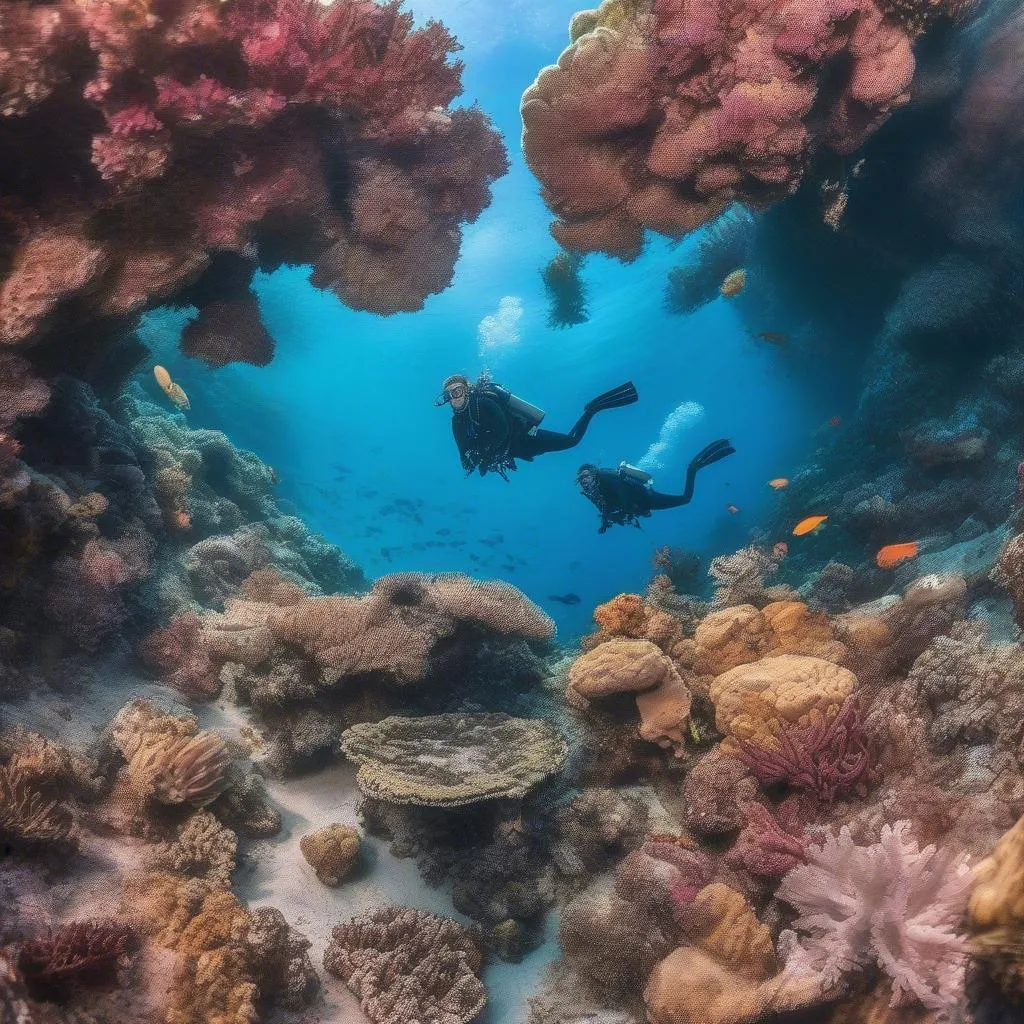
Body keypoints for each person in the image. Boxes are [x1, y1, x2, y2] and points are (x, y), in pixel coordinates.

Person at [436, 373, 639, 479]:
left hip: (524, 438)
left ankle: (592, 409)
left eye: (459, 390)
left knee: (572, 441)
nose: (456, 397)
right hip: (512, 452)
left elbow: (503, 429)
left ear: (467, 390)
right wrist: (471, 460)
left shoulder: (484, 402)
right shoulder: (457, 422)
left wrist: (486, 451)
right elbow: (462, 454)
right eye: (450, 394)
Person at [577, 439, 736, 532]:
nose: (583, 480)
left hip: (647, 498)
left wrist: (630, 510)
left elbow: (622, 493)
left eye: (585, 476)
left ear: (593, 473)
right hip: (642, 504)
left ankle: (693, 468)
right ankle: (695, 467)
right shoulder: (592, 493)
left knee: (685, 499)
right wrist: (605, 523)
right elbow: (604, 508)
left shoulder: (604, 477)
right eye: (580, 478)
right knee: (685, 499)